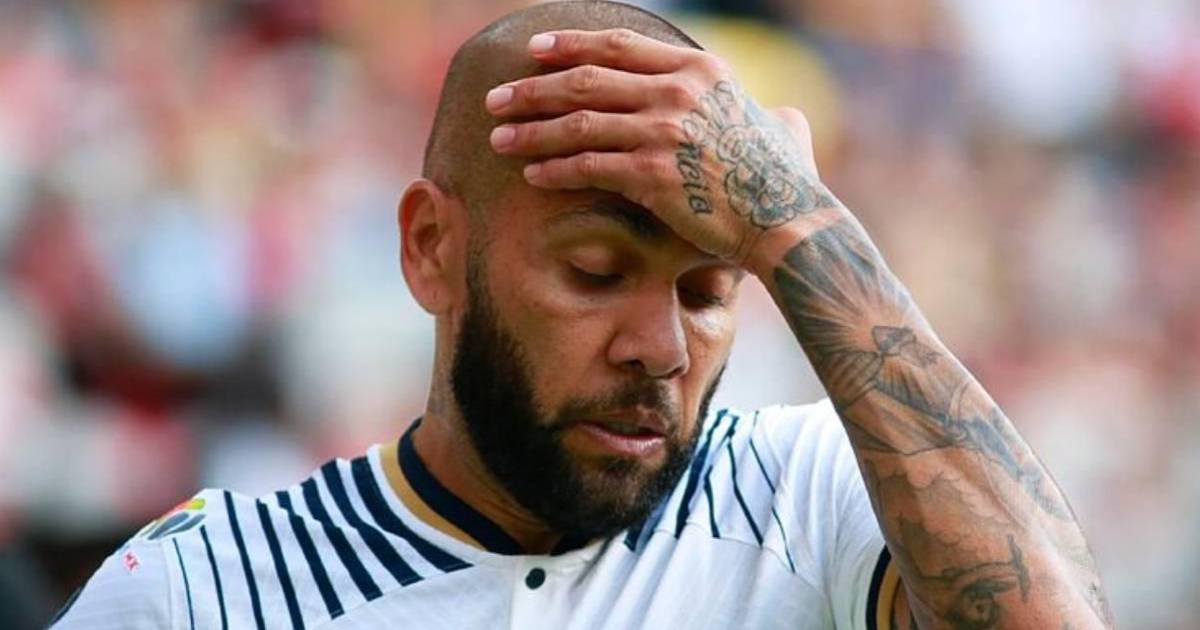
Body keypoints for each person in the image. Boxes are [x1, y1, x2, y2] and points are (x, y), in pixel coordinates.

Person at [51, 2, 1113, 628]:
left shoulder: (811, 498)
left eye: (708, 291)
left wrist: (802, 222)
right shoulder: (201, 593)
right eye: (596, 273)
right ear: (431, 249)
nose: (661, 349)